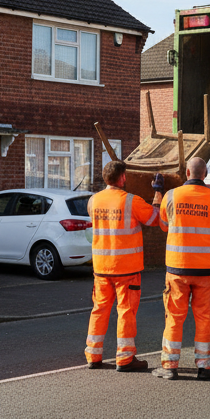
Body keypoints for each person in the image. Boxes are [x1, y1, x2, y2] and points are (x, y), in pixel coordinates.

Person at [154, 157, 210, 381]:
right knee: (204, 318)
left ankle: (170, 367)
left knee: (174, 317)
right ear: (205, 174)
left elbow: (163, 225)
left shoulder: (171, 195)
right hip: (206, 270)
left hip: (177, 268)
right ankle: (205, 367)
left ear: (187, 172)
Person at [85, 159, 161, 372]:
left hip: (101, 269)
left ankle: (93, 355)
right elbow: (155, 218)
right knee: (126, 312)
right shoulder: (131, 201)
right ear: (123, 178)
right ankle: (125, 358)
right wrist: (157, 194)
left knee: (99, 310)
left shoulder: (93, 201)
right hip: (126, 269)